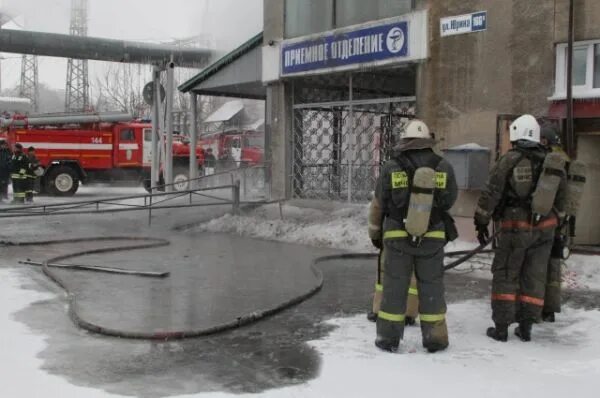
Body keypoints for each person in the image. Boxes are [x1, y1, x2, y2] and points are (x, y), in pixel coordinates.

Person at [475, 115, 567, 342]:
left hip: (515, 228)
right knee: (534, 276)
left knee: (507, 273)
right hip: (545, 230)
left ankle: (501, 328)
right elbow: (563, 199)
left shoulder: (509, 160)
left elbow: (491, 193)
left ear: (516, 133)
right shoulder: (552, 162)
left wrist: (481, 221)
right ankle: (526, 327)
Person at [370, 119, 458, 353]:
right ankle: (435, 338)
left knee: (394, 287)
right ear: (428, 141)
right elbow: (449, 200)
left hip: (398, 236)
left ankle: (388, 339)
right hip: (433, 236)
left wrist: (375, 233)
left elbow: (379, 203)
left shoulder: (391, 167)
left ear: (405, 141)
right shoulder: (443, 167)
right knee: (431, 287)